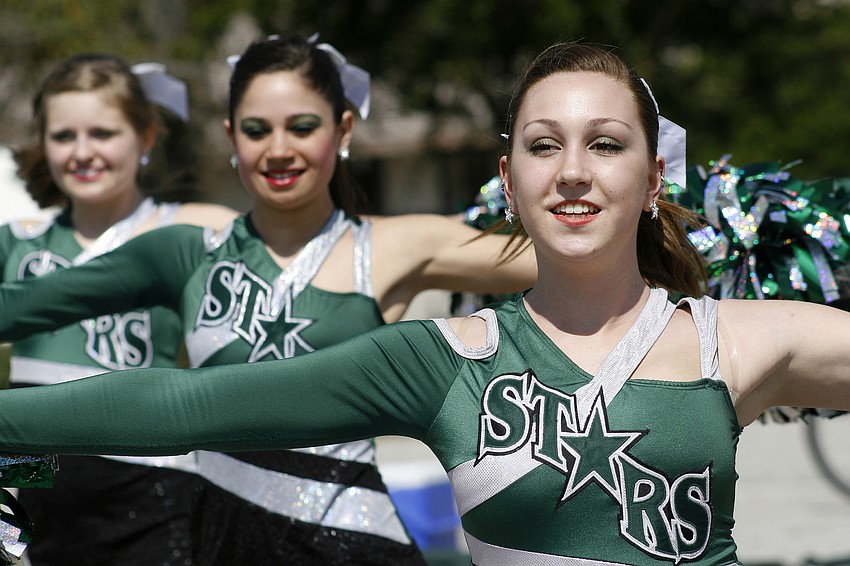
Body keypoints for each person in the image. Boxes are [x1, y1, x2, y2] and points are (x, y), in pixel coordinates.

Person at [4, 39, 840, 565]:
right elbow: (182, 403)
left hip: (341, 536)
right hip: (164, 517)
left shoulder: (739, 343)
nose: (575, 170)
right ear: (509, 182)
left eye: (607, 145)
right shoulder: (442, 359)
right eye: (544, 146)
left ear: (655, 175)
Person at [0, 36, 537, 565]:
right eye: (257, 130)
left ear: (342, 128)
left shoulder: (393, 246)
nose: (279, 149)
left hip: (354, 545)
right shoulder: (189, 249)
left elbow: (580, 259)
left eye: (302, 127)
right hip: (217, 541)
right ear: (232, 137)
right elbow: (24, 306)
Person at [1, 54, 238, 566]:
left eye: (103, 133)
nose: (83, 153)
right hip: (45, 520)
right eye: (64, 136)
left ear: (146, 137)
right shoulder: (15, 246)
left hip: (156, 507)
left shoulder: (190, 232)